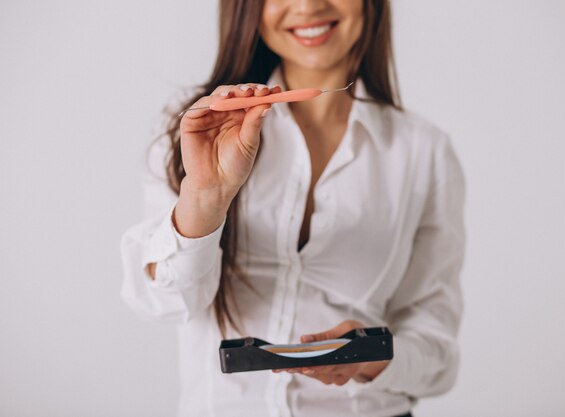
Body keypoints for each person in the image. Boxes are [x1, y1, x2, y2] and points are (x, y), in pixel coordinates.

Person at [120, 1, 465, 416]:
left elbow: (438, 353)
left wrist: (373, 357)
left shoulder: (424, 152)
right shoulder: (198, 129)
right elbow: (162, 302)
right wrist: (205, 196)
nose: (308, 6)